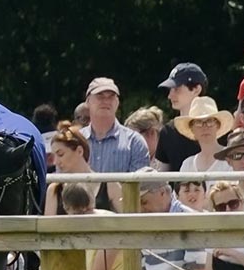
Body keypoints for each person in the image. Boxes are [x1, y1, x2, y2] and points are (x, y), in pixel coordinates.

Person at [80, 77, 148, 207]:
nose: (106, 101)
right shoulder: (76, 141)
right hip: (80, 216)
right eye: (100, 96)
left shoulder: (134, 142)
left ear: (117, 102)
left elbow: (141, 190)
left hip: (121, 219)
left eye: (111, 96)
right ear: (88, 102)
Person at [152, 63, 210, 170]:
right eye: (170, 90)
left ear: (196, 89)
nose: (170, 96)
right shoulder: (168, 132)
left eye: (177, 89)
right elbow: (161, 178)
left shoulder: (218, 128)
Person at [172, 97, 234, 174]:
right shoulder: (187, 164)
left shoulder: (231, 159)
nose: (205, 127)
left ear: (217, 125)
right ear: (192, 129)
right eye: (198, 122)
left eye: (210, 121)